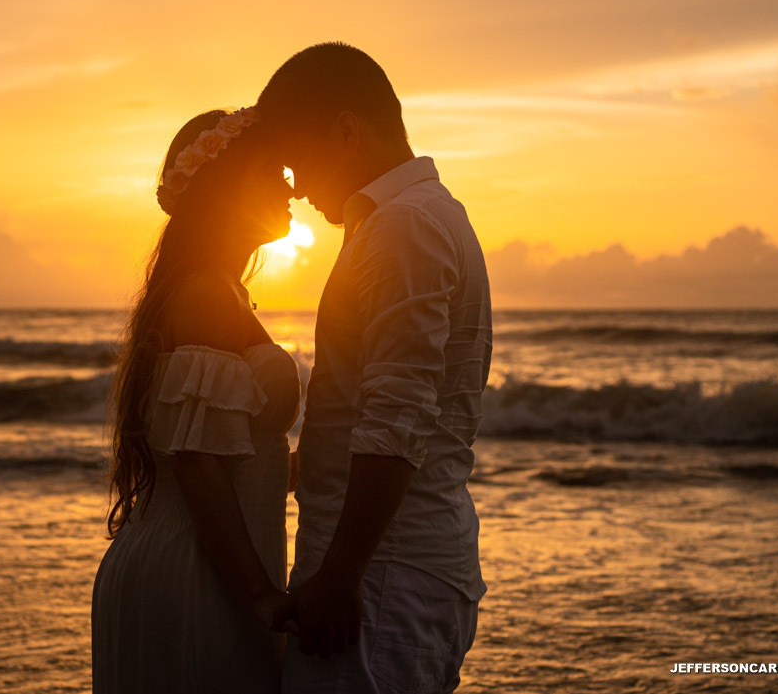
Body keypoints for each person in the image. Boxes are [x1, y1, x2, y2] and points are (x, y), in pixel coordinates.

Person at [257, 42, 493, 693]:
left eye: (295, 158)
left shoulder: (404, 228)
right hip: (389, 565)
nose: (295, 183)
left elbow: (399, 415)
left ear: (345, 129)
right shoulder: (402, 221)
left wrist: (341, 575)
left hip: (385, 571)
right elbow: (374, 405)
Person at [91, 108, 302, 693]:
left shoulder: (222, 289)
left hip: (202, 562)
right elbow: (196, 461)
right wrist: (261, 595)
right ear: (224, 189)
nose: (292, 187)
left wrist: (304, 467)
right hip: (198, 573)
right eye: (272, 172)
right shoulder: (208, 293)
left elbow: (222, 449)